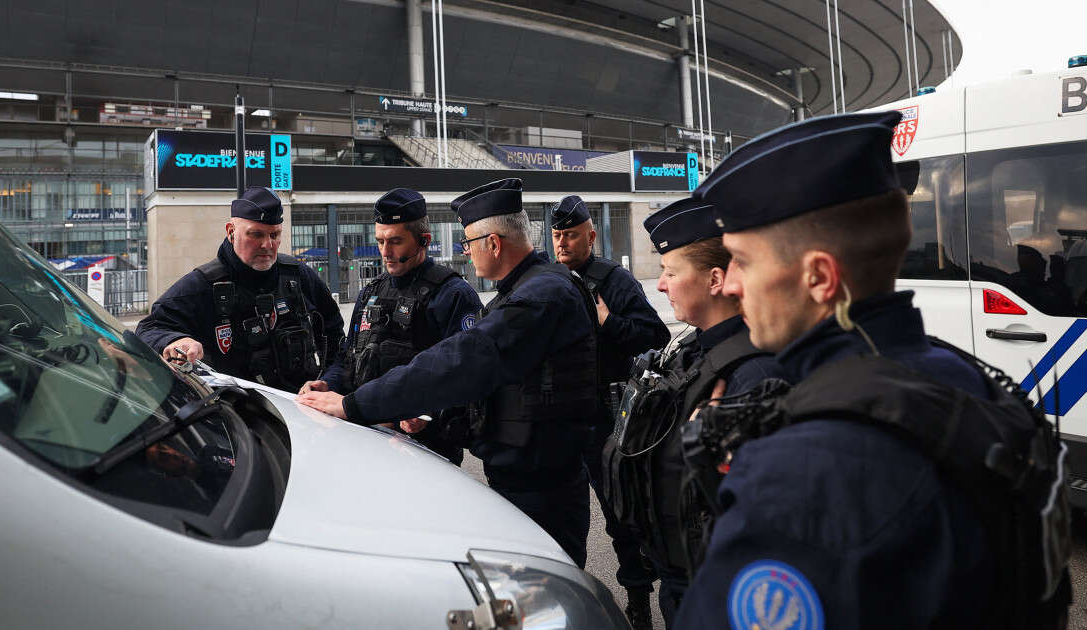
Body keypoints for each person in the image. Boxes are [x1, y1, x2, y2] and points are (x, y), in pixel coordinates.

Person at [672, 111, 1071, 629]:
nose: (730, 285)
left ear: (819, 277)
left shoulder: (803, 470)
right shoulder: (961, 377)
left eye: (744, 261)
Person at [300, 178, 600, 568]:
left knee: (541, 590)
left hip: (539, 481)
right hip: (527, 470)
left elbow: (459, 362)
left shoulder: (539, 296)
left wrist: (355, 405)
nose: (466, 253)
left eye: (468, 244)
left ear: (492, 243)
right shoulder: (531, 287)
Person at [605, 195, 780, 628]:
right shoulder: (692, 349)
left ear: (716, 279)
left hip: (720, 591)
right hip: (681, 578)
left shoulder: (751, 372)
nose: (661, 285)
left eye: (670, 273)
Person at [551, 194, 669, 628]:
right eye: (558, 235)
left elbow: (653, 336)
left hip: (606, 418)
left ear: (591, 235)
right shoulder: (548, 279)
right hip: (562, 419)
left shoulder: (613, 281)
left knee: (621, 516)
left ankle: (638, 599)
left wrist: (609, 324)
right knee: (563, 518)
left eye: (571, 235)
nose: (562, 243)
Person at [299, 188, 481, 465]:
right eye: (380, 241)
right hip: (363, 437)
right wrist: (328, 382)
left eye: (395, 241)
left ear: (424, 240)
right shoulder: (370, 291)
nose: (385, 251)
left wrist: (427, 413)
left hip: (425, 452)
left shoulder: (453, 294)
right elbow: (349, 355)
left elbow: (468, 376)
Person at [136, 186, 344, 392]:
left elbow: (335, 333)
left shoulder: (298, 276)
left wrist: (328, 381)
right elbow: (150, 328)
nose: (267, 244)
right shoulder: (203, 285)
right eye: (256, 234)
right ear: (231, 232)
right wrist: (176, 340)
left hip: (303, 410)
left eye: (274, 235)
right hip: (238, 415)